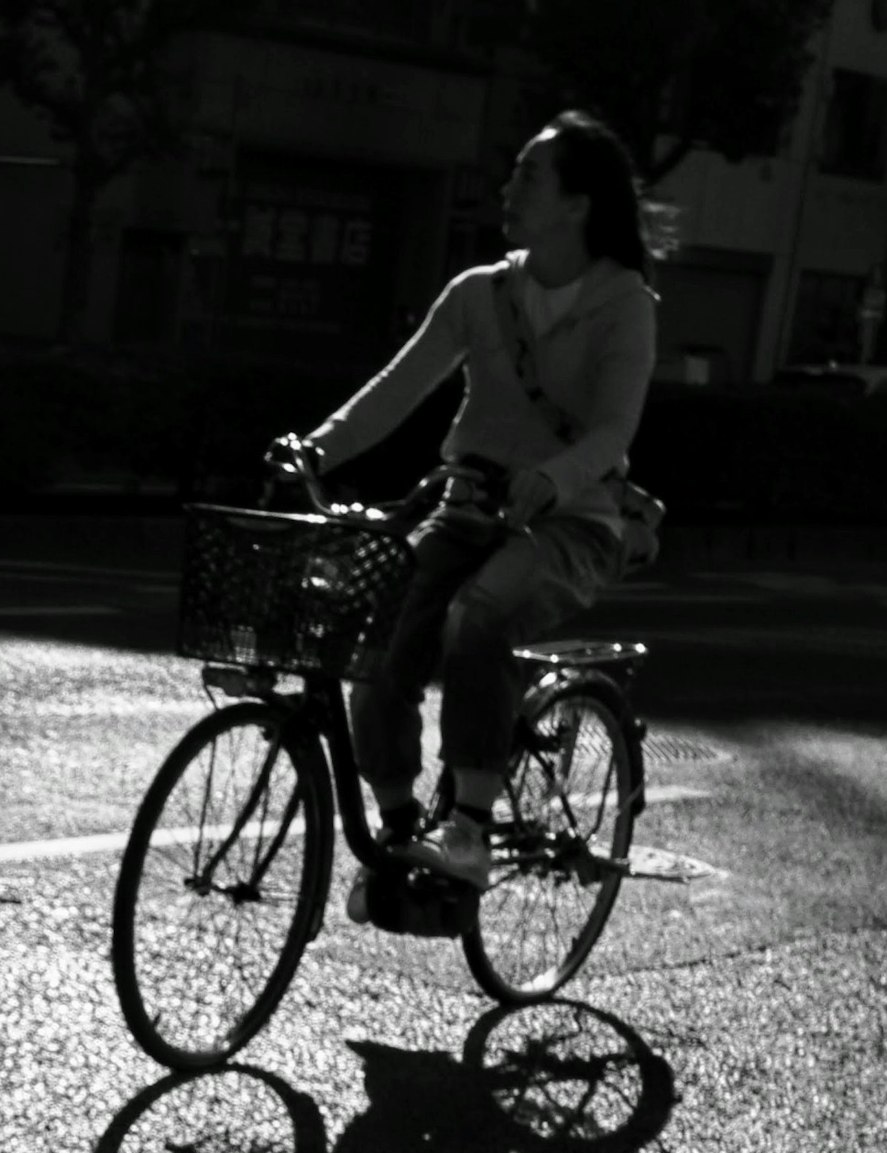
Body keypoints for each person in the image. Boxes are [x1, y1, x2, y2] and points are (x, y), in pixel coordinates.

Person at [275, 114, 660, 889]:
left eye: (529, 177)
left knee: (479, 615)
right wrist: (315, 447)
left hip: (572, 523)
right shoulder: (480, 293)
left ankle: (471, 830)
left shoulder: (625, 303)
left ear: (578, 204)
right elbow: (399, 387)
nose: (508, 190)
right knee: (381, 635)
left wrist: (550, 478)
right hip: (470, 508)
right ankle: (394, 832)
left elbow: (614, 430)